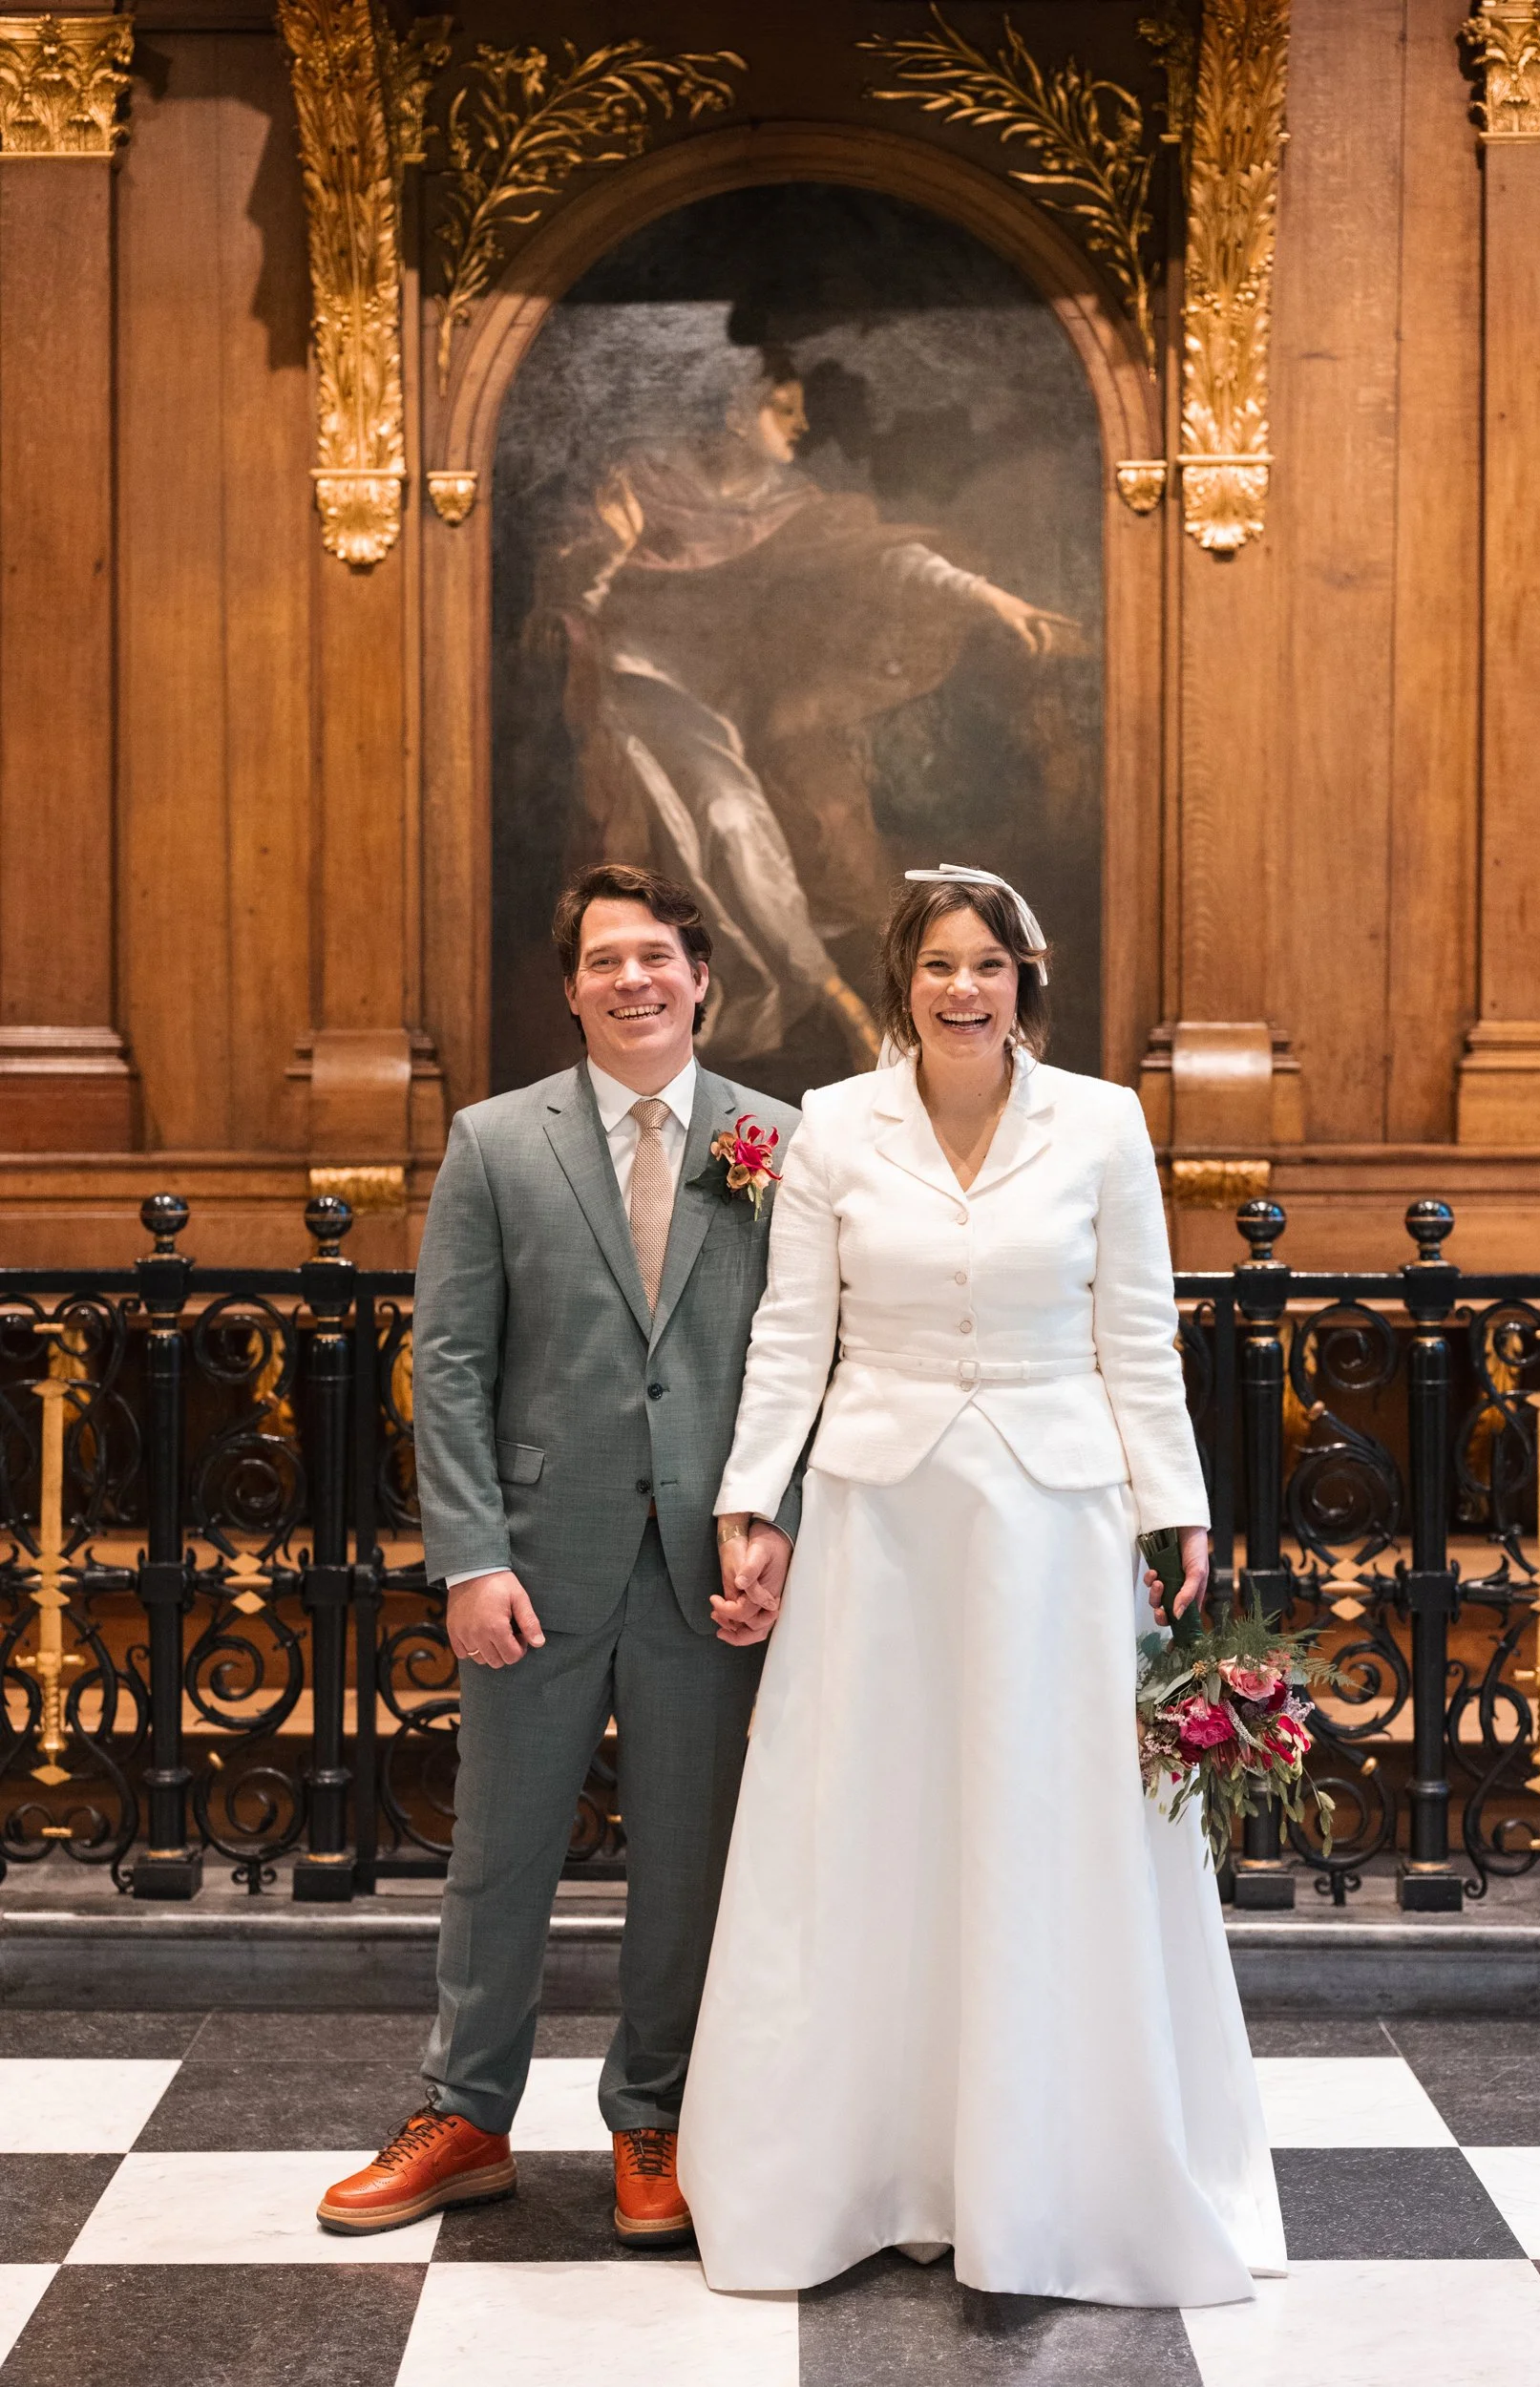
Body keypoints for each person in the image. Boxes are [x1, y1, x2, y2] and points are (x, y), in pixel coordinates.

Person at [676, 864, 1286, 2302]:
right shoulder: (831, 1125)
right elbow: (789, 1335)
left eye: (989, 965)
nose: (964, 988)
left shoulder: (1102, 1123)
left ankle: (1055, 2166)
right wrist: (748, 1502)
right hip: (878, 1517)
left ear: (1026, 981)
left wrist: (1173, 1510)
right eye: (939, 965)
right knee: (868, 1818)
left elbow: (1135, 1334)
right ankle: (865, 2166)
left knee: (1042, 1819)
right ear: (902, 982)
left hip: (1054, 1522)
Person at [317, 862, 802, 2245]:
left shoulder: (780, 1142)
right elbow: (451, 1365)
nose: (630, 980)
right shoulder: (493, 1141)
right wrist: (469, 1555)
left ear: (702, 974)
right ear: (571, 986)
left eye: (653, 954)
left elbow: (807, 1362)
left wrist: (781, 1534)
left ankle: (655, 2116)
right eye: (601, 960)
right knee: (498, 1853)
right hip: (532, 1560)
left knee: (689, 1860)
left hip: (707, 1575)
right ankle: (463, 2114)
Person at [551, 353, 1086, 1072]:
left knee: (832, 815)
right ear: (738, 412)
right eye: (785, 407)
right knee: (730, 815)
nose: (802, 425)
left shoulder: (789, 506)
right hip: (648, 685)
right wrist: (605, 557)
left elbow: (883, 559)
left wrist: (994, 601)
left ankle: (886, 994)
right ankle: (831, 994)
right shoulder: (646, 488)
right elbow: (574, 589)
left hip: (743, 701)